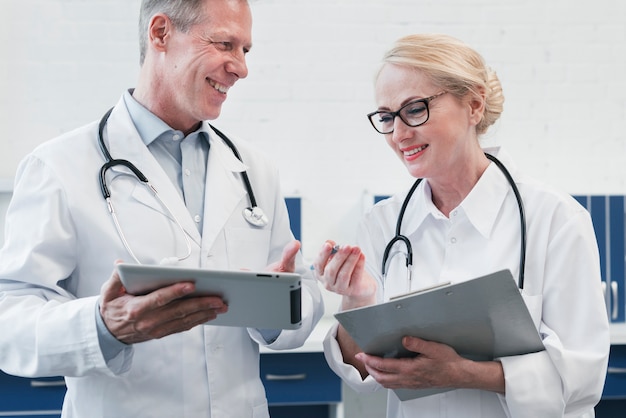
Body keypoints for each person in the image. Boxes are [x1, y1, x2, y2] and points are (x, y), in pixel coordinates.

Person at [0, 1, 323, 417]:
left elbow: (302, 292)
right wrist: (102, 326)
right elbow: (9, 320)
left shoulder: (254, 171)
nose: (241, 68)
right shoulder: (59, 167)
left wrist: (278, 308)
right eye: (225, 44)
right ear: (160, 34)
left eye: (246, 50)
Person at [314, 33, 609, 418]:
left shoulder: (555, 220)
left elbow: (583, 374)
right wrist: (356, 301)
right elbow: (360, 372)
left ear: (474, 104)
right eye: (386, 117)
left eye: (415, 109)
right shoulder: (382, 224)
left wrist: (464, 373)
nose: (399, 134)